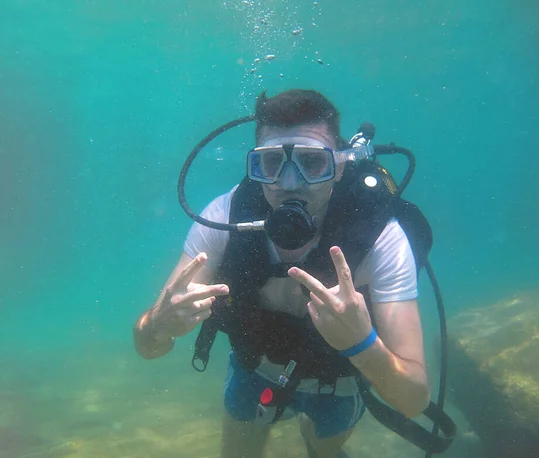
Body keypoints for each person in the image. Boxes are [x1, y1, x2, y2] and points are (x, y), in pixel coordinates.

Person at [133, 89, 431, 458]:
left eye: (312, 162)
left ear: (339, 167)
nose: (290, 183)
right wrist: (158, 323)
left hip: (336, 384)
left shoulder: (379, 239)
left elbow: (414, 398)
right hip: (252, 370)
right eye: (271, 164)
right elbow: (146, 347)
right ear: (253, 168)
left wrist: (362, 344)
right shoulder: (223, 220)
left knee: (323, 450)